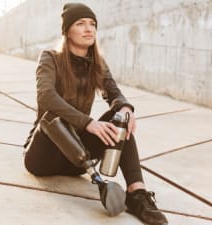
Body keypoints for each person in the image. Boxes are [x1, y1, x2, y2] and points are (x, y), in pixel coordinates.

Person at [23, 3, 168, 225]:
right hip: (44, 155)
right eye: (80, 24)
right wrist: (88, 123)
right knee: (52, 116)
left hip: (76, 158)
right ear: (67, 31)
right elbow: (46, 97)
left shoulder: (97, 63)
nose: (88, 29)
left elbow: (114, 92)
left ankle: (137, 194)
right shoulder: (50, 58)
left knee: (120, 119)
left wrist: (125, 108)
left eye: (92, 24)